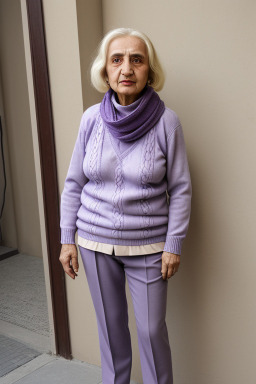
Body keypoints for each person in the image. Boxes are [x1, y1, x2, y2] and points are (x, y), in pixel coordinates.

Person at [59, 27, 192, 384]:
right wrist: (67, 238)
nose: (126, 69)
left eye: (137, 59)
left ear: (150, 70)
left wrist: (173, 245)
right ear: (105, 70)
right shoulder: (91, 119)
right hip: (94, 243)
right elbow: (74, 183)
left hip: (149, 247)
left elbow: (180, 189)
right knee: (112, 333)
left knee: (150, 332)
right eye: (117, 60)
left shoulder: (167, 123)